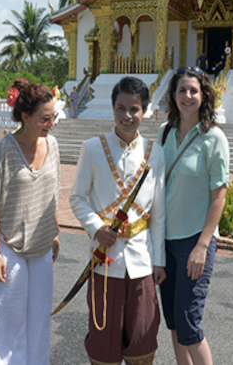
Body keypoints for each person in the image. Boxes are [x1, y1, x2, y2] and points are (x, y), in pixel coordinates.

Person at [70, 76, 166, 365]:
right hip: (105, 262)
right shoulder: (92, 148)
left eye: (134, 109)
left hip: (142, 262)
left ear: (145, 111)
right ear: (112, 109)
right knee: (103, 343)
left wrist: (158, 260)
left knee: (142, 340)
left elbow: (158, 214)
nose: (127, 115)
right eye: (121, 108)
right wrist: (96, 227)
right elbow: (77, 198)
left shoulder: (155, 153)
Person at [0, 78, 61, 365]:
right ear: (25, 117)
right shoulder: (5, 149)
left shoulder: (52, 145)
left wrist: (55, 232)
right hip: (9, 247)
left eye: (54, 116)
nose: (51, 123)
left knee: (39, 321)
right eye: (45, 118)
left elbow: (51, 194)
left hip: (41, 247)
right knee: (7, 322)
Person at [158, 66, 229, 365]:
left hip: (193, 242)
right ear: (173, 95)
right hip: (165, 240)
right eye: (181, 90)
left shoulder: (213, 138)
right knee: (174, 322)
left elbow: (219, 195)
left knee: (189, 324)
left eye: (193, 90)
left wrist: (202, 245)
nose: (187, 96)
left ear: (204, 96)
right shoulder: (165, 133)